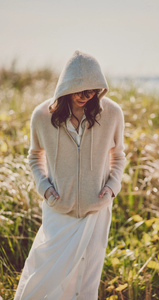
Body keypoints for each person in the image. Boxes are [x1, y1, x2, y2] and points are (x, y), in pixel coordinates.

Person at [14, 50, 126, 300]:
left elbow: (118, 156)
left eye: (92, 90)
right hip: (58, 210)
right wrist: (45, 189)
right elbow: (34, 156)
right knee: (43, 277)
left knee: (86, 282)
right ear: (65, 87)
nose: (87, 96)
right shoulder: (42, 116)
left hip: (96, 211)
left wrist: (111, 189)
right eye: (80, 90)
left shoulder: (112, 114)